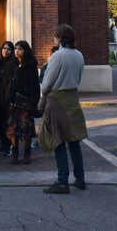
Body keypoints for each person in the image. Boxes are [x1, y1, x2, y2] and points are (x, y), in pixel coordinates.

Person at [38, 24, 88, 194]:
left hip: (57, 100)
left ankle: (62, 181)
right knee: (74, 141)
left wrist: (43, 93)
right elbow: (80, 77)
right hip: (73, 98)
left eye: (55, 36)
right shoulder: (79, 55)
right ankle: (80, 179)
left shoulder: (58, 56)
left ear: (59, 38)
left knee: (58, 141)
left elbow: (47, 83)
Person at [6, 40, 41, 164]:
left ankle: (27, 153)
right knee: (13, 129)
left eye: (20, 49)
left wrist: (34, 102)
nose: (17, 51)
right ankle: (15, 153)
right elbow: (10, 83)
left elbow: (35, 85)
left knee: (26, 128)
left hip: (26, 101)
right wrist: (9, 97)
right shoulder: (13, 64)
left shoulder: (31, 65)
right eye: (15, 49)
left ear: (25, 51)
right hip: (15, 101)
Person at [0, 41, 16, 156]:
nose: (6, 51)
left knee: (7, 123)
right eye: (4, 48)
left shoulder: (13, 63)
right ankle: (2, 143)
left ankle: (8, 146)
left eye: (9, 49)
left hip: (7, 98)